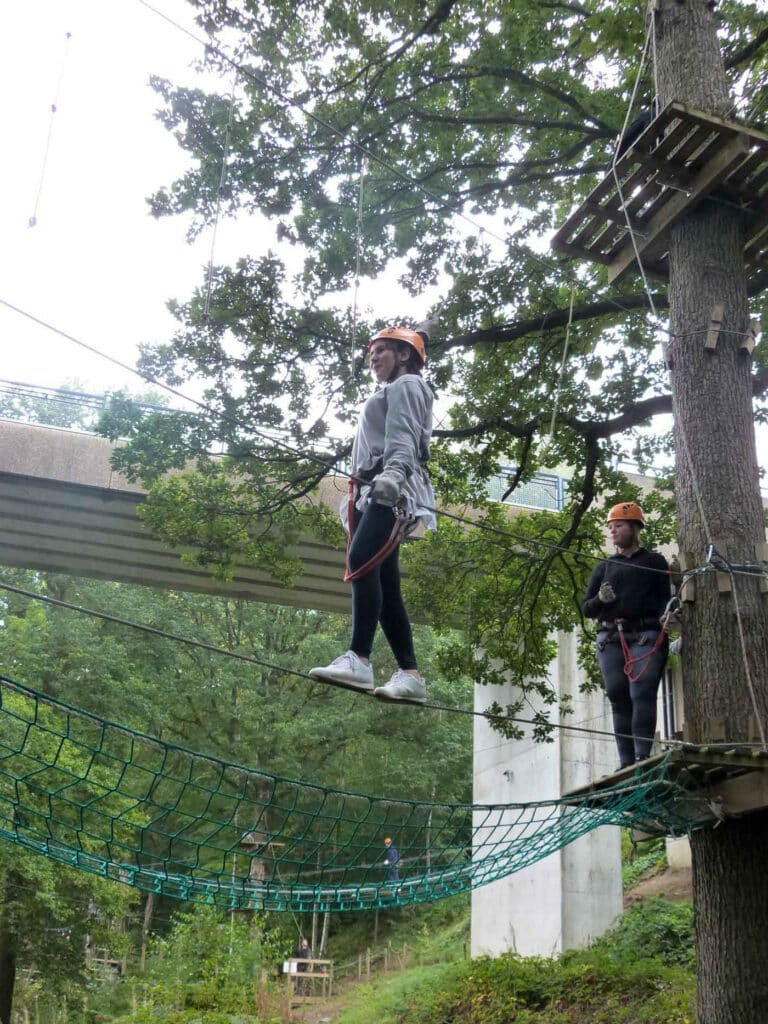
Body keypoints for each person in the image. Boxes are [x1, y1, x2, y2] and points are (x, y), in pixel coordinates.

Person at [309, 324, 436, 704]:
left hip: (391, 488)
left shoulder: (408, 385)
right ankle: (410, 675)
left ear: (404, 355)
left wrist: (394, 475)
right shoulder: (391, 390)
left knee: (361, 557)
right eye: (371, 352)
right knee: (387, 584)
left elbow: (405, 435)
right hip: (373, 489)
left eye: (381, 350)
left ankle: (359, 658)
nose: (373, 358)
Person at [582, 502, 671, 769]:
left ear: (634, 528)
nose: (613, 531)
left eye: (618, 526)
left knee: (641, 692)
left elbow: (664, 599)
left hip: (646, 633)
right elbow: (586, 609)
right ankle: (626, 762)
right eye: (610, 527)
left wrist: (668, 615)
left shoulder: (654, 562)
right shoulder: (605, 567)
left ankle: (642, 756)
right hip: (611, 637)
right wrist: (600, 599)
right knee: (618, 695)